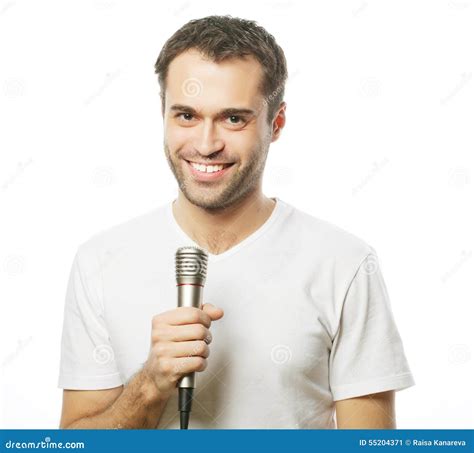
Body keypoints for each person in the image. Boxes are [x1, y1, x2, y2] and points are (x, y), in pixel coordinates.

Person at [58, 15, 414, 429]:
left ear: (275, 124)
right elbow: (74, 444)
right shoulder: (100, 261)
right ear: (163, 114)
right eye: (186, 116)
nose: (206, 145)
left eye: (233, 118)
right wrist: (149, 384)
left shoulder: (344, 262)